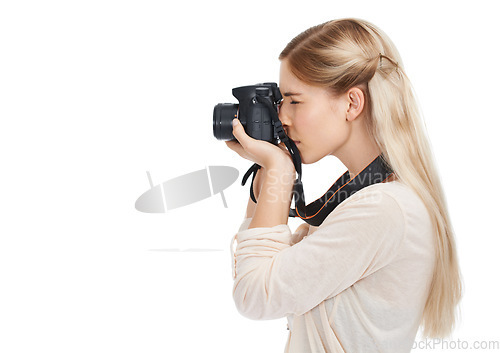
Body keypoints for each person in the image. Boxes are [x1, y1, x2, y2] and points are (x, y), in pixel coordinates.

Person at [226, 18, 462, 353]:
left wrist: (279, 171)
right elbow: (268, 267)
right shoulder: (366, 195)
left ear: (351, 103)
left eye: (294, 100)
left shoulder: (382, 209)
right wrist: (268, 170)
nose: (282, 117)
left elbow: (254, 294)